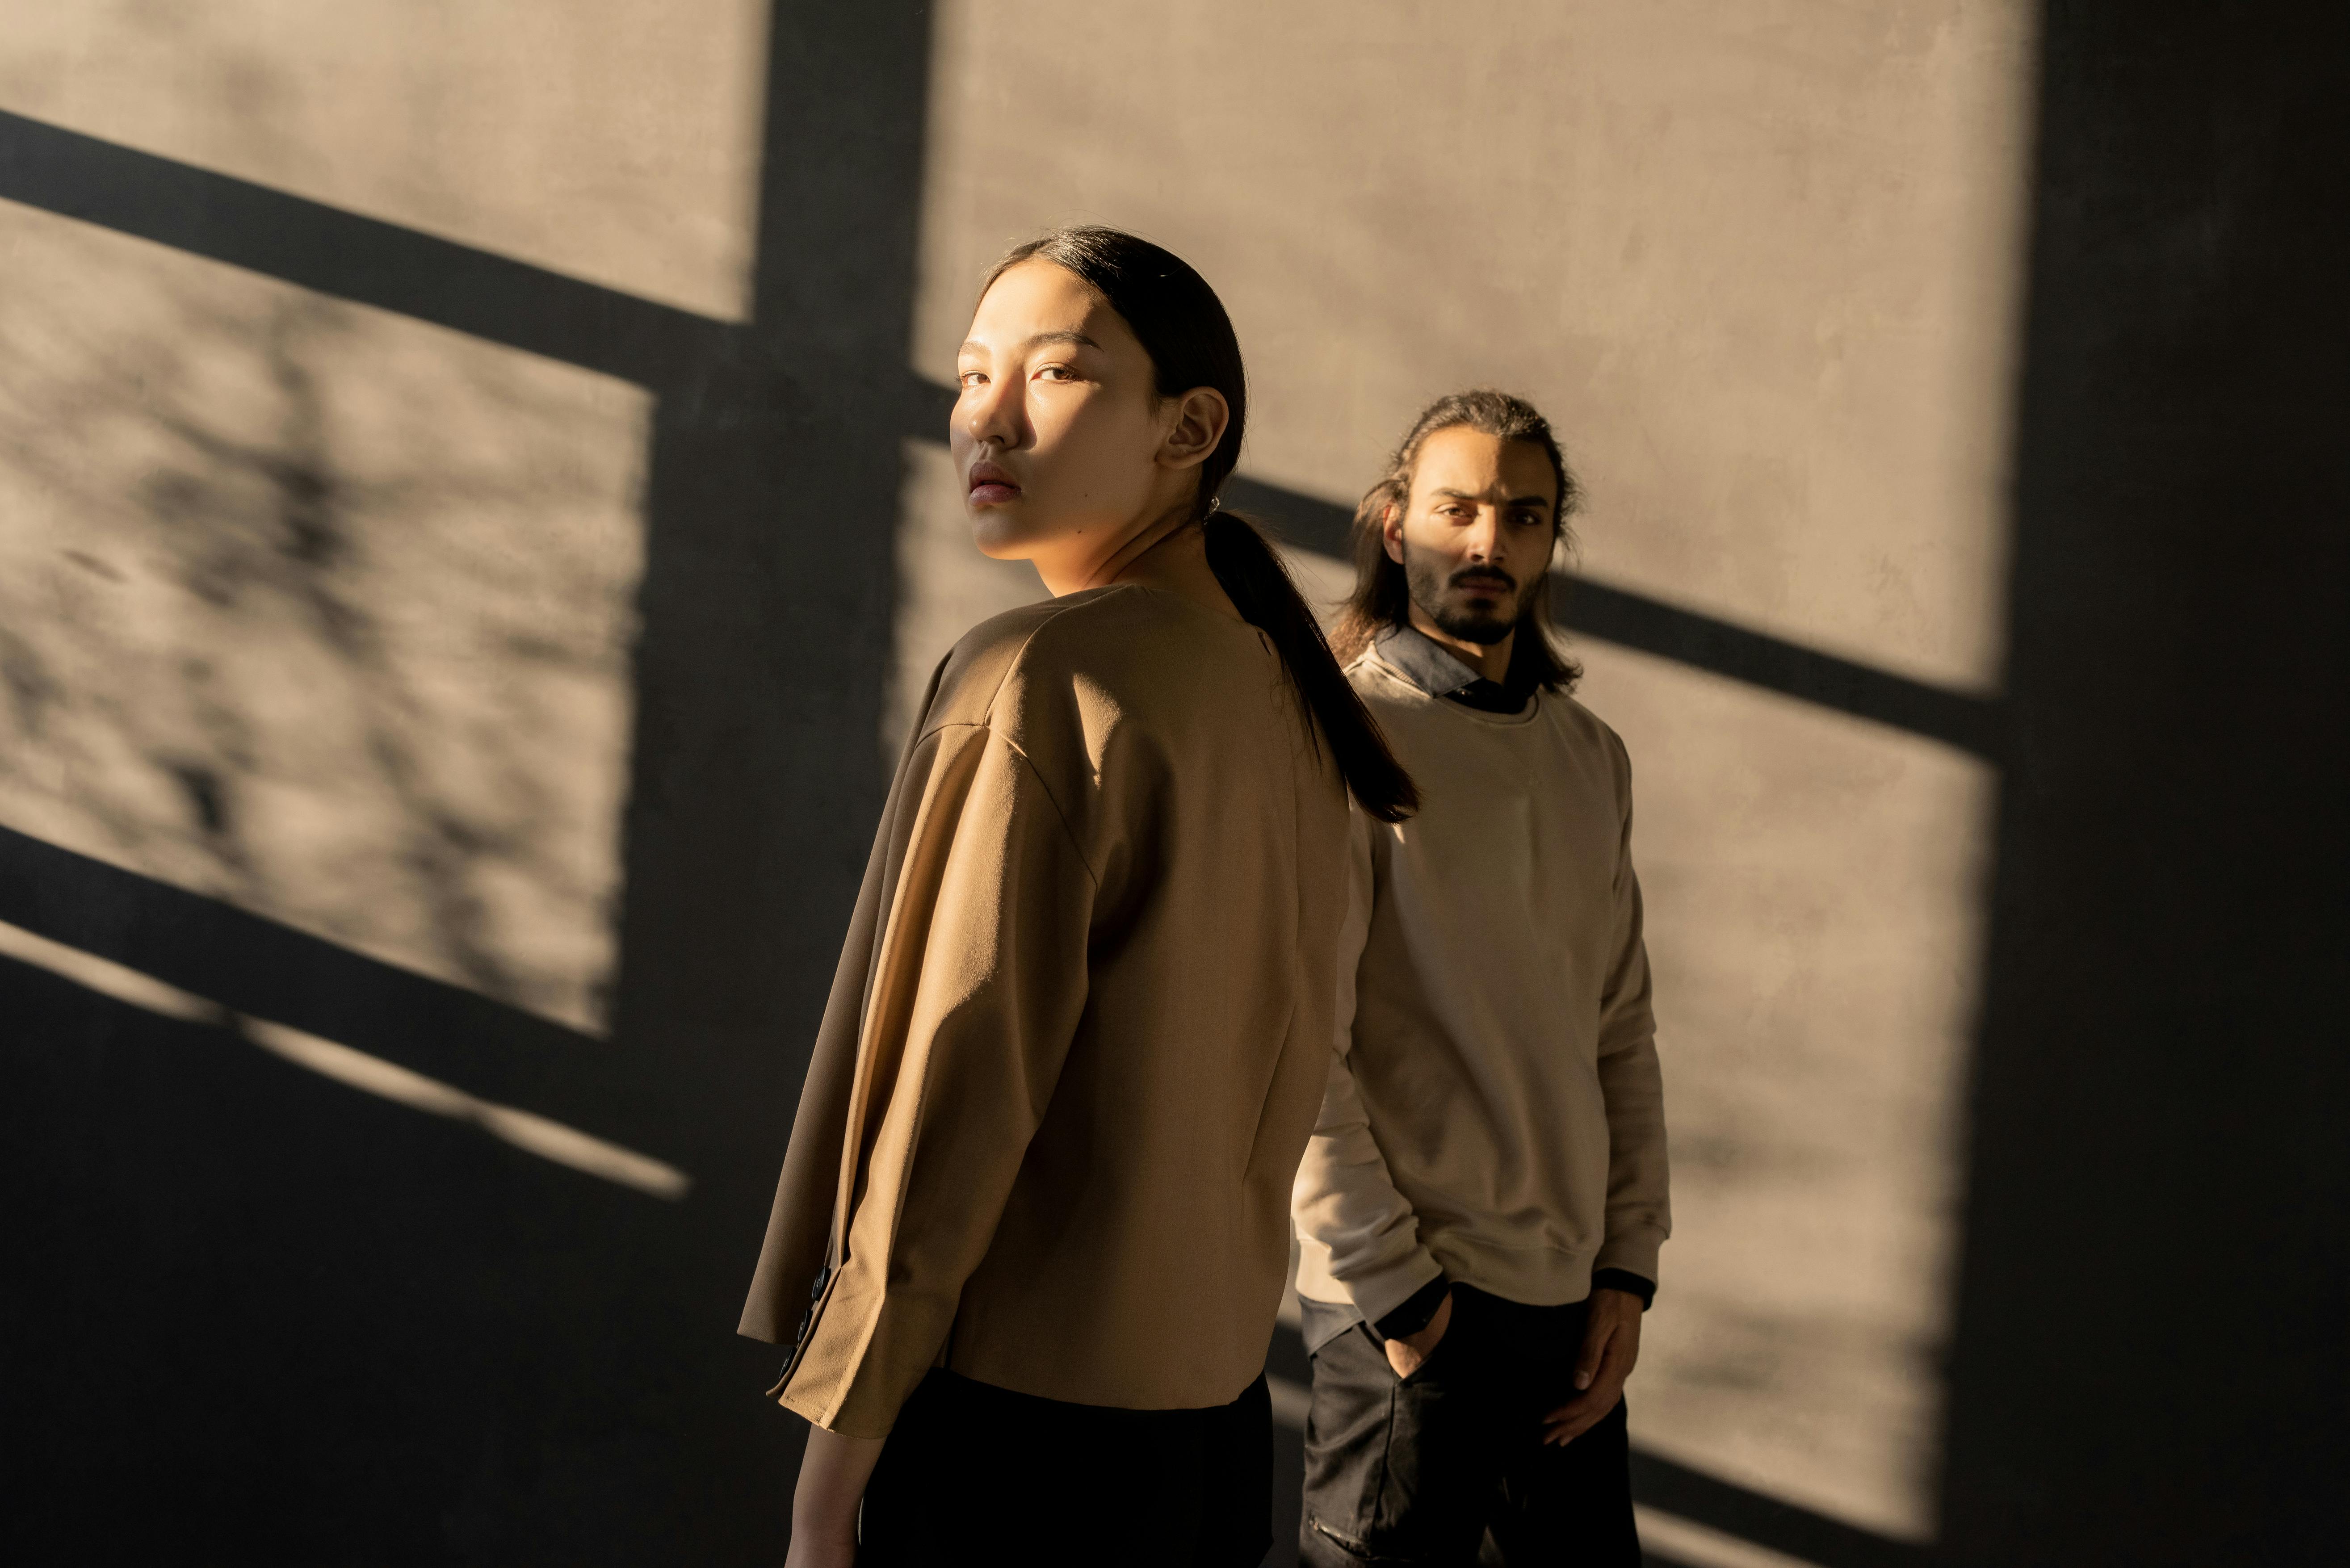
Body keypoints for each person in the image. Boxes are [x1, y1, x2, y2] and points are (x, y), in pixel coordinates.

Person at [739, 226, 1418, 1567]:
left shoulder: (1044, 679)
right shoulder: (1281, 690)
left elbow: (956, 1097)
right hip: (1212, 1431)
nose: (985, 418)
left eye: (1053, 374)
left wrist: (827, 1499)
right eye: (968, 374)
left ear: (1190, 427)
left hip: (1014, 1446)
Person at [1290, 390, 1670, 1566]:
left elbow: (1619, 1028)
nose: (1485, 543)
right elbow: (1300, 1037)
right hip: (1409, 1304)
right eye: (1455, 509)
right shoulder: (1335, 740)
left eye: (1521, 515)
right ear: (1394, 525)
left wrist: (1625, 1270)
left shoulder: (1587, 760)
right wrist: (1395, 1298)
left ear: (1551, 541)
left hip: (1567, 1318)